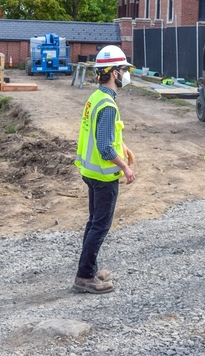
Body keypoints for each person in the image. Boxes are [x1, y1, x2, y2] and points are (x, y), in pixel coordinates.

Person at [72, 45, 136, 294]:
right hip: (103, 175)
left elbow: (105, 135)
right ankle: (84, 276)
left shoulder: (96, 98)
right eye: (123, 69)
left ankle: (89, 267)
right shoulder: (108, 105)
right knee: (100, 225)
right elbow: (105, 148)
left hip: (91, 173)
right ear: (113, 73)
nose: (126, 74)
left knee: (93, 223)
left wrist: (125, 146)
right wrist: (125, 168)